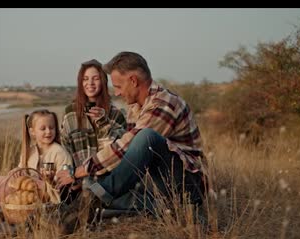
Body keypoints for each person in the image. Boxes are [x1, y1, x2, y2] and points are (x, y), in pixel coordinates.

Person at [56, 52, 208, 225]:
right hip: (157, 185)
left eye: (119, 86)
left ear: (133, 81)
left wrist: (82, 170)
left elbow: (125, 147)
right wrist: (86, 179)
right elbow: (128, 159)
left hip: (187, 186)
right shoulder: (135, 107)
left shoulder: (164, 104)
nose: (117, 93)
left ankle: (92, 203)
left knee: (146, 137)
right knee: (93, 183)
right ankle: (167, 211)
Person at [59, 59, 127, 202]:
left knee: (93, 196)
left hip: (104, 183)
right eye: (85, 79)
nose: (90, 83)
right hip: (75, 182)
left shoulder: (116, 115)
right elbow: (65, 149)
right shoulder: (70, 113)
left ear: (103, 82)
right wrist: (71, 177)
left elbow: (114, 155)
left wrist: (103, 123)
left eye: (95, 78)